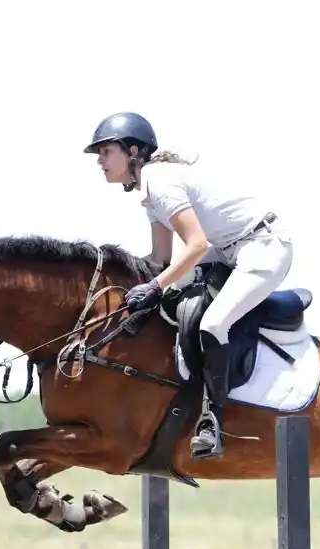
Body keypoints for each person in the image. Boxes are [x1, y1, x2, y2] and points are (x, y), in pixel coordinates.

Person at [83, 111, 294, 461]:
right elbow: (160, 260)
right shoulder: (149, 193)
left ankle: (213, 421)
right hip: (228, 249)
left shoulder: (160, 184)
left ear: (133, 151)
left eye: (106, 152)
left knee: (213, 324)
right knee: (166, 293)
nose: (100, 162)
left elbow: (194, 246)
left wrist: (153, 285)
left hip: (264, 247)